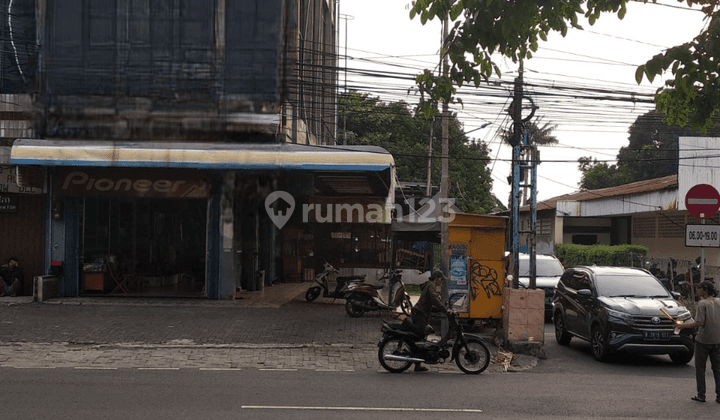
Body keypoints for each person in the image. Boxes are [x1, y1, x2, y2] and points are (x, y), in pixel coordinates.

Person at [675, 280, 720, 403]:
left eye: (699, 289)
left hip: (703, 340)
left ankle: (701, 395)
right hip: (717, 340)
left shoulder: (702, 304)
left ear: (705, 290)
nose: (697, 291)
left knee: (700, 369)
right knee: (717, 369)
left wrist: (681, 326)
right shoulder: (718, 301)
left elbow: (699, 323)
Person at [405, 269, 452, 372]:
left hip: (421, 314)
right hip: (419, 314)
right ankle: (417, 363)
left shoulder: (429, 285)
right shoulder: (431, 285)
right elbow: (434, 299)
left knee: (421, 337)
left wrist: (439, 310)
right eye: (441, 279)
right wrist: (444, 310)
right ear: (436, 278)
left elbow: (430, 302)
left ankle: (418, 364)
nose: (442, 281)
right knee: (420, 337)